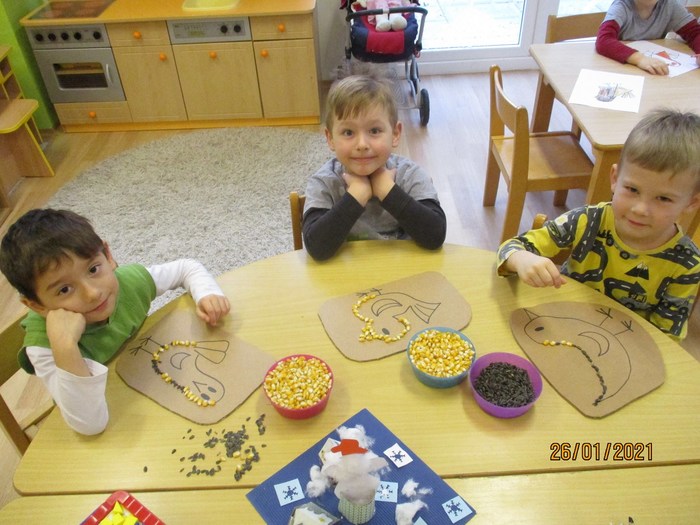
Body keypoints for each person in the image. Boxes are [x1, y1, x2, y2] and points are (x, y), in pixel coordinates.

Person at [0, 208, 231, 435]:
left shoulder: (128, 281)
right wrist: (65, 348)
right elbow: (90, 424)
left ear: (108, 256)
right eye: (64, 289)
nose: (92, 293)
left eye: (93, 269)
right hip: (103, 406)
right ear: (37, 305)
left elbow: (186, 268)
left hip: (145, 376)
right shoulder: (45, 347)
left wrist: (207, 293)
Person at [496, 109, 700, 341]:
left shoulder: (687, 264)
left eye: (663, 198)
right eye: (632, 189)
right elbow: (510, 248)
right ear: (615, 178)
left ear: (691, 203)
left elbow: (666, 339)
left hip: (627, 346)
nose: (640, 209)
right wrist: (522, 259)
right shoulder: (588, 220)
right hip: (560, 324)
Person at [302, 74, 446, 260]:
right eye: (348, 132)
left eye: (374, 131)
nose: (362, 144)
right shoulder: (323, 182)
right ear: (330, 139)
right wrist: (355, 196)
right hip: (346, 275)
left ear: (395, 134)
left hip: (404, 273)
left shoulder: (410, 175)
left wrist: (388, 191)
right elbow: (316, 248)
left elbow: (435, 236)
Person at [596, 0, 700, 74]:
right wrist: (640, 59)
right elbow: (603, 40)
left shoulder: (670, 5)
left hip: (655, 73)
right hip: (625, 68)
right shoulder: (621, 6)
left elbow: (695, 33)